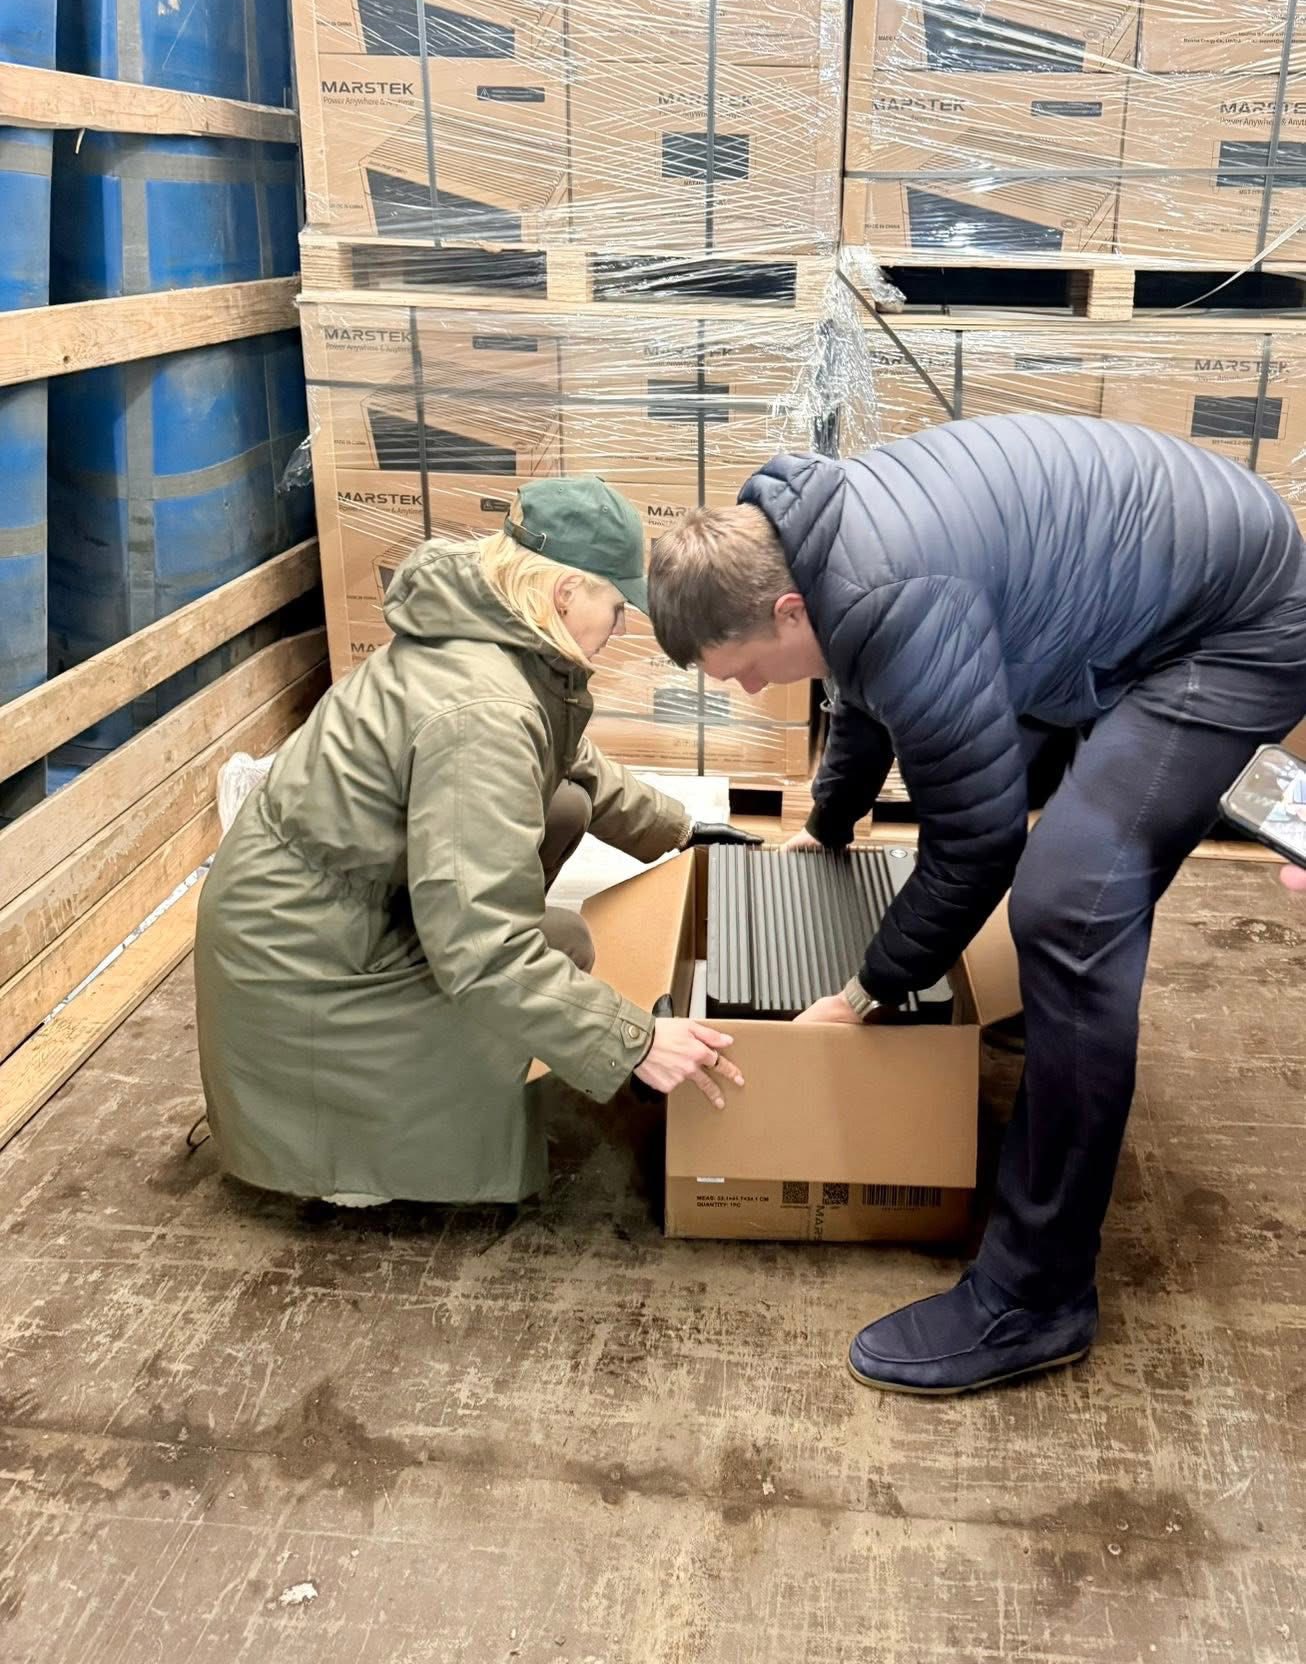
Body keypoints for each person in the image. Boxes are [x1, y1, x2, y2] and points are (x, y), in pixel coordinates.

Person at [646, 412, 1306, 1397]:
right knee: (1037, 810)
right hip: (1121, 595)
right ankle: (1047, 1029)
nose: (742, 689)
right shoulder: (815, 542)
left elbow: (976, 836)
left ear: (786, 609)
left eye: (739, 664)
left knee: (1064, 902)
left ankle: (1036, 1296)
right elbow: (866, 689)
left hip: (1234, 626)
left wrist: (871, 989)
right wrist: (827, 825)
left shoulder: (888, 590)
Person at [194, 475, 755, 1209]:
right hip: (306, 964)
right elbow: (482, 947)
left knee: (562, 849)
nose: (619, 630)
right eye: (616, 609)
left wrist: (682, 829)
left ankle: (392, 1094)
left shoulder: (493, 638)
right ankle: (349, 1159)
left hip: (341, 910)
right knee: (533, 970)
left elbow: (567, 760)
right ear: (564, 596)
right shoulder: (481, 711)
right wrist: (635, 1043)